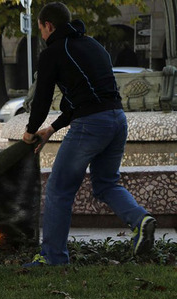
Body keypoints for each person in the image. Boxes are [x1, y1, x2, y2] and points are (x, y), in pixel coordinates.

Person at [22, 2, 155, 266]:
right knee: (106, 184)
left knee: (59, 189)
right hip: (117, 121)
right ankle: (140, 219)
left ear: (48, 25)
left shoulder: (54, 52)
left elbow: (42, 96)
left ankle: (53, 258)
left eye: (41, 30)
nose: (43, 36)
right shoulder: (94, 46)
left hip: (91, 125)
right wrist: (52, 128)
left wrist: (30, 130)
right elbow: (86, 96)